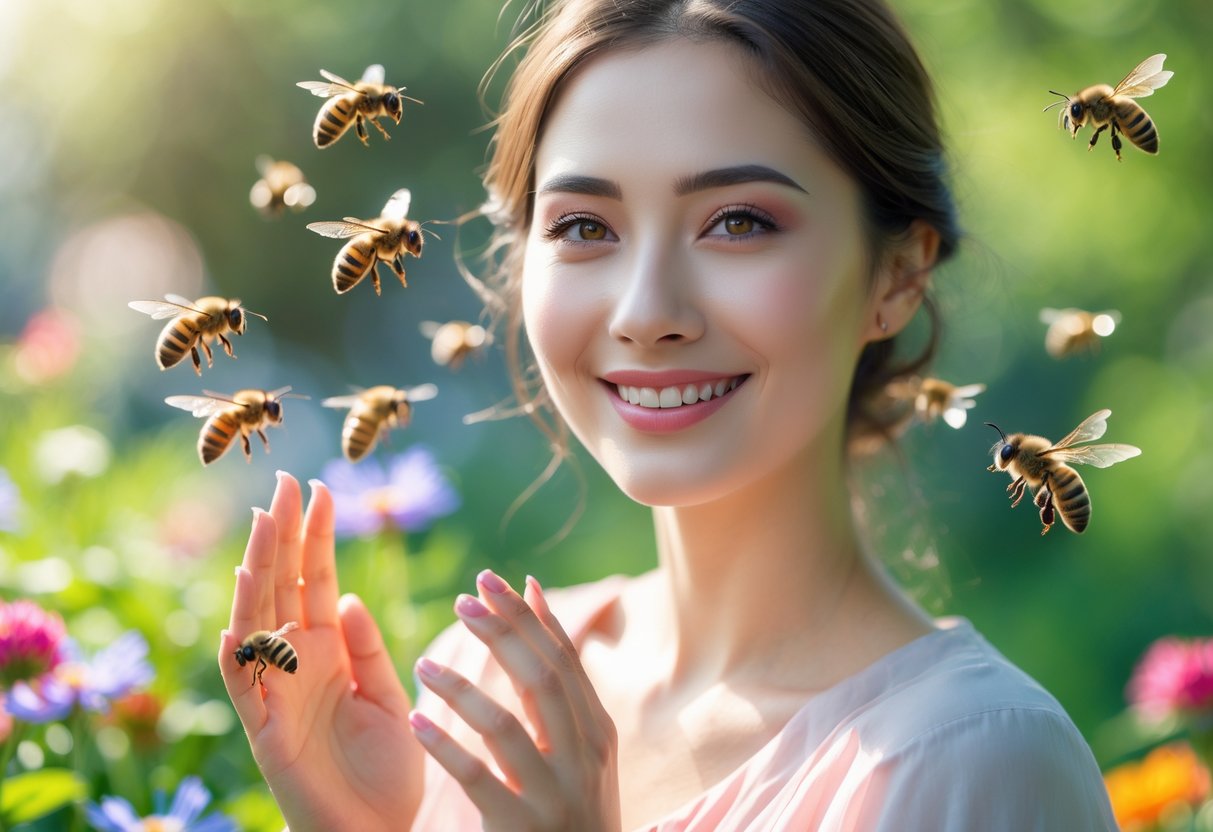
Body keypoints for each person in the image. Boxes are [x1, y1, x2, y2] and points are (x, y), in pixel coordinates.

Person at [220, 0, 1119, 828]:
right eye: (583, 227)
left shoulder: (978, 762)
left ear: (897, 274)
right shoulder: (487, 688)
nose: (646, 312)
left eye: (736, 222)